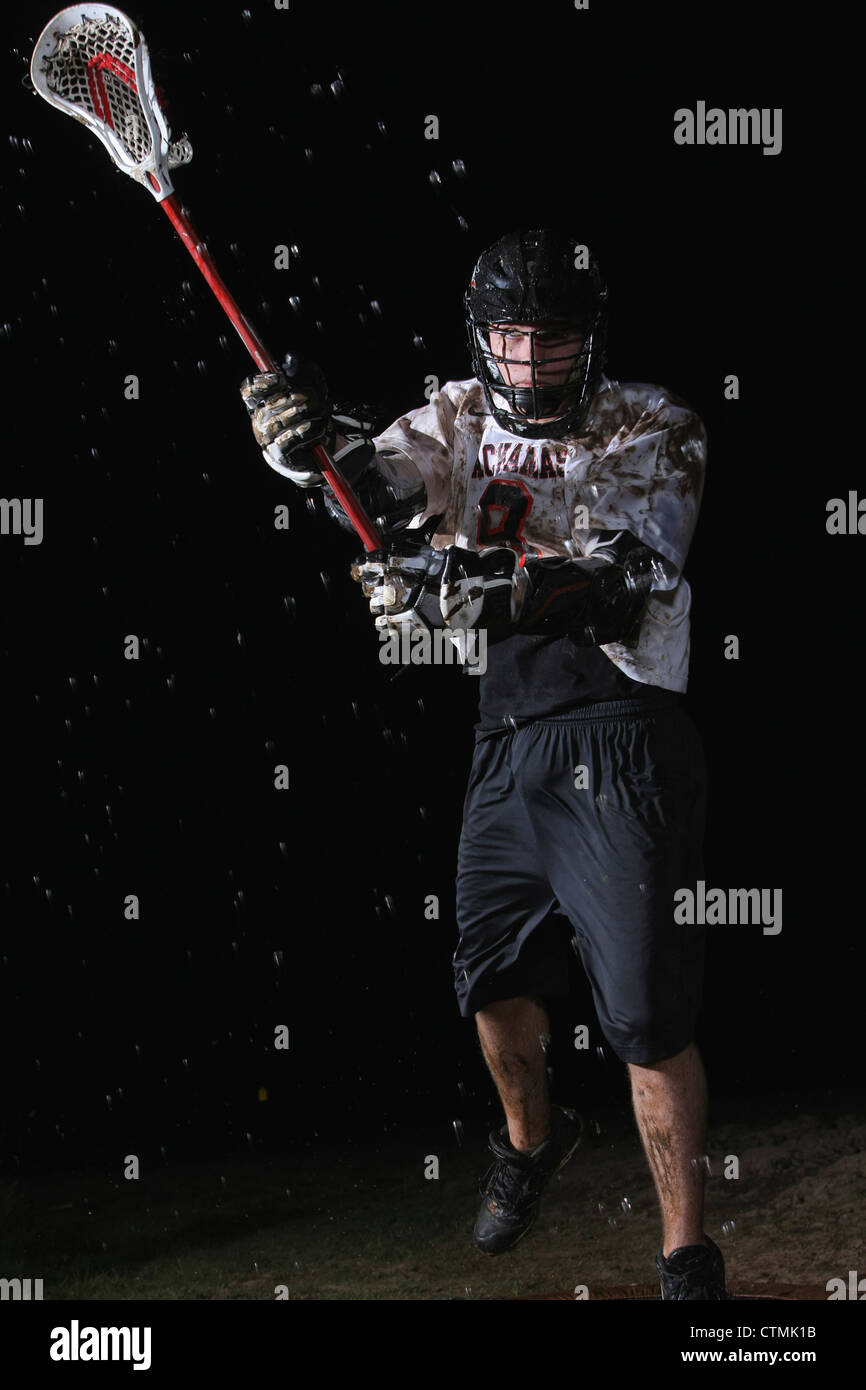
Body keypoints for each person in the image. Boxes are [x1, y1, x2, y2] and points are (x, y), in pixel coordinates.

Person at [240, 228, 728, 1300]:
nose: (528, 362)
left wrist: (463, 592)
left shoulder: (655, 423)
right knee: (489, 978)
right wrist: (307, 443)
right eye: (510, 338)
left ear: (585, 342)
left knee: (643, 1015)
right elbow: (376, 488)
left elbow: (620, 578)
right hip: (506, 739)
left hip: (619, 726)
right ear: (480, 335)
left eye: (550, 341)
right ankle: (530, 1142)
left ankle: (685, 1251)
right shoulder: (456, 413)